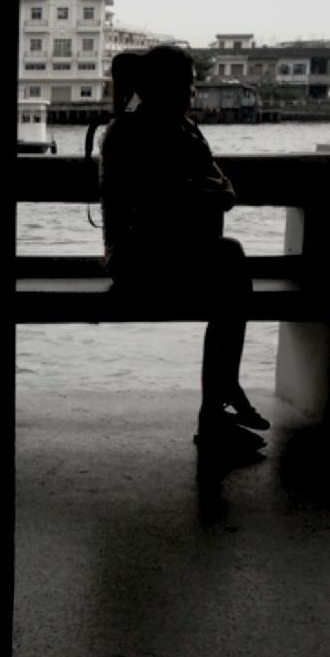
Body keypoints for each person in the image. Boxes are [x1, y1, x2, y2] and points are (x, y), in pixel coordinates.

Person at [99, 45, 269, 455]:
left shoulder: (182, 129)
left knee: (230, 270)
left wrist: (203, 195)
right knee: (231, 262)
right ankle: (219, 403)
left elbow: (216, 187)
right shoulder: (129, 133)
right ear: (160, 87)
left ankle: (217, 406)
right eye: (185, 85)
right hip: (137, 260)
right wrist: (203, 196)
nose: (192, 94)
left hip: (172, 256)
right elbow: (164, 201)